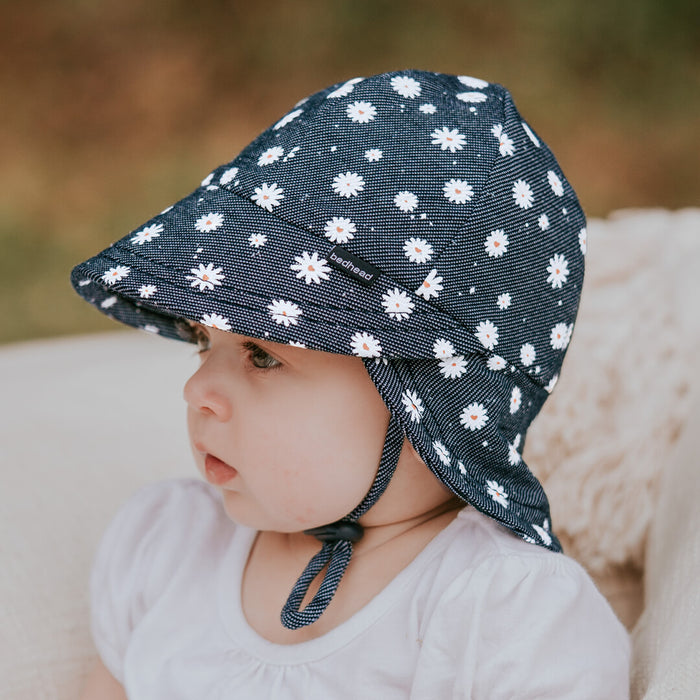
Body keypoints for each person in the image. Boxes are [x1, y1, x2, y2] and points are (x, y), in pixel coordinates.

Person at [74, 70, 630, 698]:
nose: (196, 390)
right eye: (205, 341)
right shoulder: (168, 547)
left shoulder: (506, 614)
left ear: (426, 402)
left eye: (261, 356)